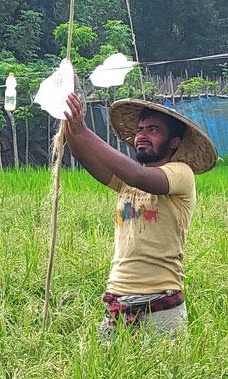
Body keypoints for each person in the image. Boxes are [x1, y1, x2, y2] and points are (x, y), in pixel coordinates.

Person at [63, 93, 218, 337]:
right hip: (117, 301)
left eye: (153, 130)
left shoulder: (180, 174)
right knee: (110, 374)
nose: (142, 136)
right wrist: (71, 128)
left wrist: (83, 132)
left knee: (164, 375)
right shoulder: (126, 182)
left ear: (174, 142)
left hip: (160, 307)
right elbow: (84, 155)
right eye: (140, 130)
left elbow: (140, 177)